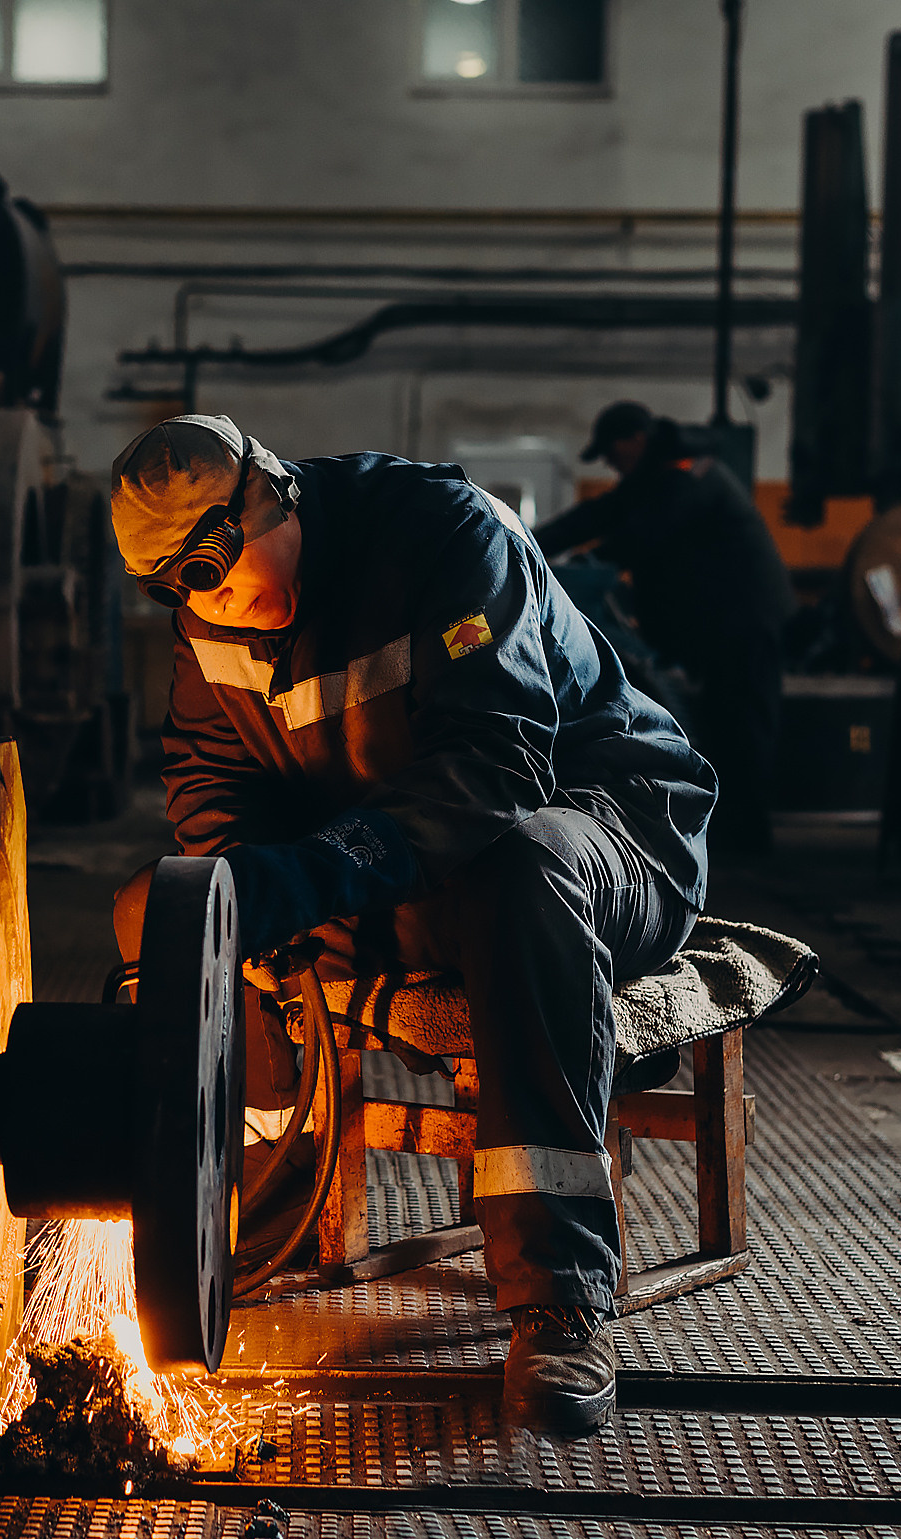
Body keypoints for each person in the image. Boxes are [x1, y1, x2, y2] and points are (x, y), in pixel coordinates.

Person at [108, 414, 717, 1436]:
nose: (212, 602)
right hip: (399, 867)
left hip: (600, 829)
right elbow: (214, 783)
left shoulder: (440, 536)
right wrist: (235, 891)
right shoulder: (209, 620)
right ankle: (250, 1210)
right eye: (179, 589)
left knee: (519, 874)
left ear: (271, 495)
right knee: (168, 904)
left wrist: (308, 875)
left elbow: (494, 771)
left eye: (215, 566)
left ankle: (560, 1295)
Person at [532, 402, 793, 856]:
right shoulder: (656, 477)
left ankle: (753, 845)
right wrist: (524, 539)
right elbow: (597, 515)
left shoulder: (686, 473)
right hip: (722, 625)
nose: (611, 464)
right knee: (724, 723)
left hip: (746, 619)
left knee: (744, 726)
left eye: (612, 452)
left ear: (635, 438)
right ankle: (732, 838)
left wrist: (590, 562)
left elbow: (642, 533)